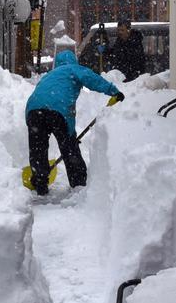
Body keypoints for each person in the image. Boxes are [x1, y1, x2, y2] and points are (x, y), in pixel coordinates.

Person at [25, 49, 123, 195]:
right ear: (73, 61)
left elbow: (42, 95)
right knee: (69, 148)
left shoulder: (49, 75)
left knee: (38, 148)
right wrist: (113, 91)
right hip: (58, 109)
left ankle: (39, 181)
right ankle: (79, 184)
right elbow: (92, 79)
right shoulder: (73, 69)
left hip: (33, 110)